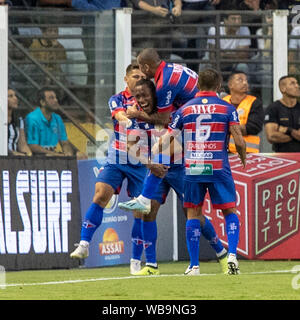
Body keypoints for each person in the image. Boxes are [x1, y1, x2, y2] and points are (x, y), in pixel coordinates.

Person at [119, 79, 229, 276]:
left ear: (155, 95)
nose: (142, 100)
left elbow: (172, 137)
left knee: (194, 215)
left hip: (181, 167)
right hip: (155, 168)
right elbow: (130, 144)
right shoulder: (133, 115)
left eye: (145, 95)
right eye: (138, 96)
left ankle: (221, 254)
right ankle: (151, 265)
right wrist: (149, 163)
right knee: (148, 212)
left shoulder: (169, 108)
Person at [69, 64, 167, 276]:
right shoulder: (118, 99)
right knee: (100, 194)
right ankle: (84, 243)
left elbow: (163, 121)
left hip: (142, 161)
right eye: (135, 76)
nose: (139, 79)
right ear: (126, 79)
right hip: (118, 156)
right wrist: (133, 118)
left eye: (142, 76)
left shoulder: (153, 100)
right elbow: (121, 117)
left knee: (141, 211)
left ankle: (134, 261)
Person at [159, 68, 246, 274]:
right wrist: (243, 159)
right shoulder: (227, 108)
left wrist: (153, 153)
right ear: (218, 86)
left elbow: (166, 139)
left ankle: (194, 265)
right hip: (218, 167)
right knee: (229, 211)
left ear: (197, 85)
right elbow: (239, 141)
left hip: (194, 167)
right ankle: (232, 255)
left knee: (193, 213)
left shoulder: (185, 109)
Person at [25, 87, 85, 158]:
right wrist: (57, 155)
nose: (56, 100)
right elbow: (33, 146)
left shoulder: (57, 118)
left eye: (56, 98)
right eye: (51, 98)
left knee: (81, 156)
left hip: (52, 157)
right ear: (42, 102)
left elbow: (64, 142)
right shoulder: (32, 118)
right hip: (35, 159)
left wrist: (68, 153)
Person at [223, 71, 264, 153]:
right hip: (224, 153)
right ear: (230, 85)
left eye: (246, 80)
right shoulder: (222, 102)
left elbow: (253, 127)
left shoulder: (254, 102)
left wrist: (225, 127)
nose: (245, 83)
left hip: (247, 153)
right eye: (240, 80)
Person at [207, 12, 251, 79]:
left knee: (243, 66)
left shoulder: (244, 29)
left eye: (239, 19)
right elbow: (212, 56)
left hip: (234, 62)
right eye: (233, 19)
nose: (237, 22)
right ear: (225, 20)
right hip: (218, 61)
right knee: (205, 63)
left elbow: (243, 56)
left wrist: (223, 55)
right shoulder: (214, 29)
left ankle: (243, 89)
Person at [264, 76, 300, 152]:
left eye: (297, 83)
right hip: (281, 157)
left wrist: (287, 130)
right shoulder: (273, 108)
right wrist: (295, 134)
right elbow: (272, 137)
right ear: (283, 88)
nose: (297, 86)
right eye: (292, 83)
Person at [7, 88, 32, 156]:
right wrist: (12, 153)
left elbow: (22, 144)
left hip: (14, 161)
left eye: (15, 95)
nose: (15, 98)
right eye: (10, 96)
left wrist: (29, 155)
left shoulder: (19, 120)